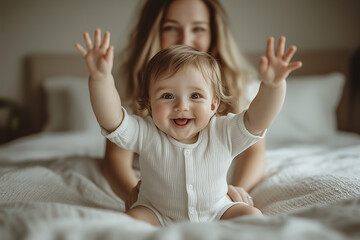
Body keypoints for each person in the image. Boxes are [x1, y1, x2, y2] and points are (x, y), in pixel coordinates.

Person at [75, 30, 302, 225]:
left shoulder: (223, 132)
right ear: (149, 105)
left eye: (195, 95)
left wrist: (273, 85)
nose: (181, 105)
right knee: (131, 222)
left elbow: (258, 120)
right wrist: (100, 78)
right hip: (156, 213)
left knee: (252, 216)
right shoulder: (146, 133)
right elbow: (111, 119)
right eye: (167, 95)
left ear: (214, 104)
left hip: (218, 211)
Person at [100, 0, 268, 211]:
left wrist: (237, 190)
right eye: (171, 28)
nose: (185, 39)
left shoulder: (243, 85)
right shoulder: (131, 84)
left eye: (198, 28)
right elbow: (116, 157)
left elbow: (254, 152)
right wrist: (136, 195)